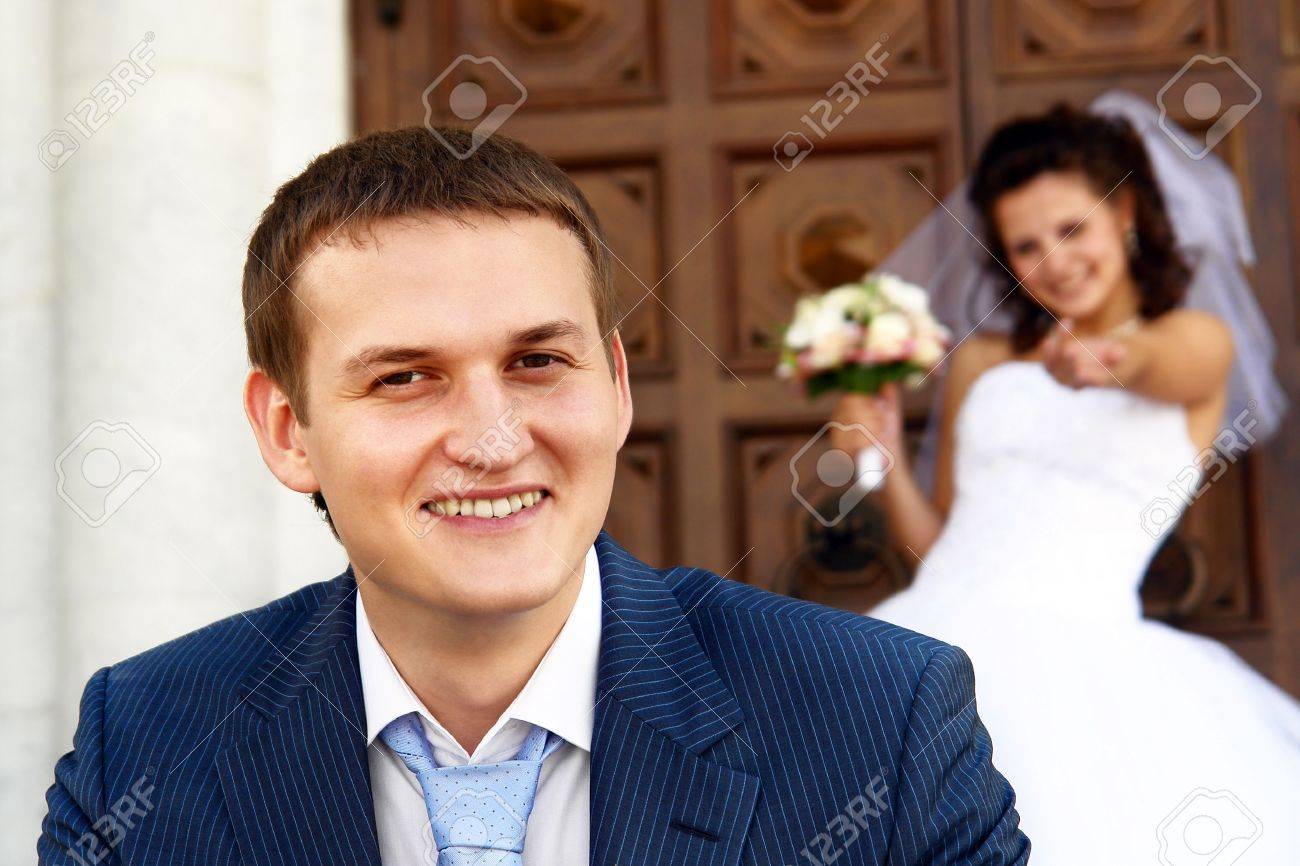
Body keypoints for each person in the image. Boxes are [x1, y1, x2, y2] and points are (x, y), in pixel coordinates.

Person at [39, 126, 1029, 865]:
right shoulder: (147, 745)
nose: (494, 439)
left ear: (617, 385)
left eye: (537, 361)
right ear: (287, 430)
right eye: (404, 377)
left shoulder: (882, 723)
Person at [832, 94, 1300, 863]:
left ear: (1125, 214)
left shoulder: (1195, 341)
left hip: (1087, 671)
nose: (1055, 260)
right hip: (928, 644)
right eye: (1027, 245)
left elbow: (1166, 363)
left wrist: (1111, 360)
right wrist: (880, 460)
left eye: (1072, 228)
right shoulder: (981, 363)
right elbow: (941, 544)